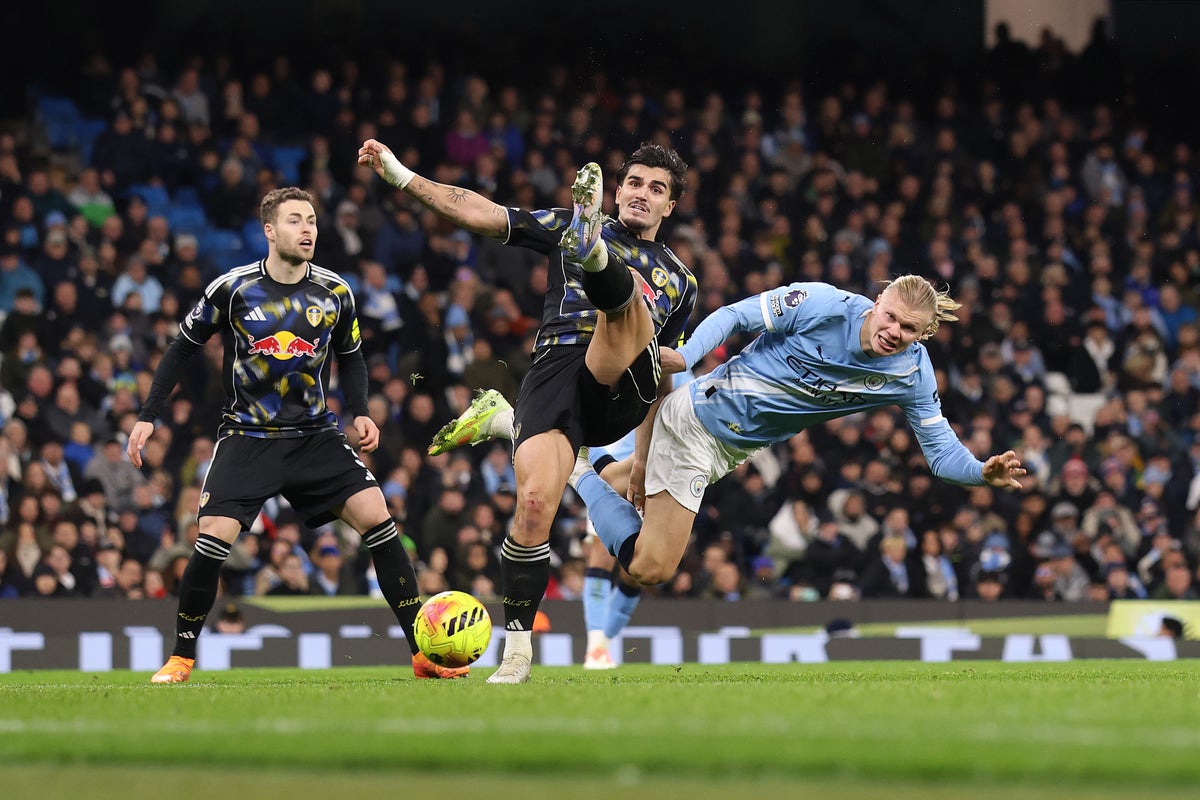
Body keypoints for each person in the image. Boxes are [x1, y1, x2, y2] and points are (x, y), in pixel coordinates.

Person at [357, 138, 696, 684]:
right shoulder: (568, 222)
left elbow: (664, 373)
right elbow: (482, 212)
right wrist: (400, 174)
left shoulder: (681, 280)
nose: (641, 194)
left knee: (630, 306)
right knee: (535, 506)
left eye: (656, 189)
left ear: (669, 206)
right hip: (559, 368)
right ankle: (516, 657)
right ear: (618, 189)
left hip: (622, 388)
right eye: (634, 182)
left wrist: (641, 458)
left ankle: (598, 267)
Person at [127, 187, 468, 683]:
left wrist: (361, 411)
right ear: (270, 231)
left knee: (379, 518)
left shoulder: (335, 292)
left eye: (311, 220)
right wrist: (147, 413)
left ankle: (422, 654)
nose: (307, 229)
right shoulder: (234, 288)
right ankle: (181, 656)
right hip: (248, 435)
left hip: (314, 436)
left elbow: (351, 356)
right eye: (294, 221)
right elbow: (181, 349)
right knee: (210, 539)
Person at [570, 276, 1027, 589]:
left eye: (909, 328)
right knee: (650, 567)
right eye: (889, 315)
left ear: (925, 333)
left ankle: (576, 459)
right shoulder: (824, 305)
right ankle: (575, 470)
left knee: (624, 484)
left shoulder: (912, 373)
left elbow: (942, 453)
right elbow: (734, 316)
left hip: (730, 449)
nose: (893, 331)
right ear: (880, 298)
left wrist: (979, 473)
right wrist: (688, 358)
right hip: (698, 424)